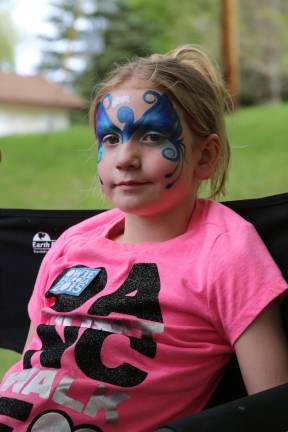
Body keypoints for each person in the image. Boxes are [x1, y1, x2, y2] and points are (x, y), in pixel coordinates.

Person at [0, 46, 288, 432]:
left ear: (206, 156)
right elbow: (33, 360)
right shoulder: (71, 244)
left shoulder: (226, 249)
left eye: (151, 136)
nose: (125, 158)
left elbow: (272, 407)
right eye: (111, 138)